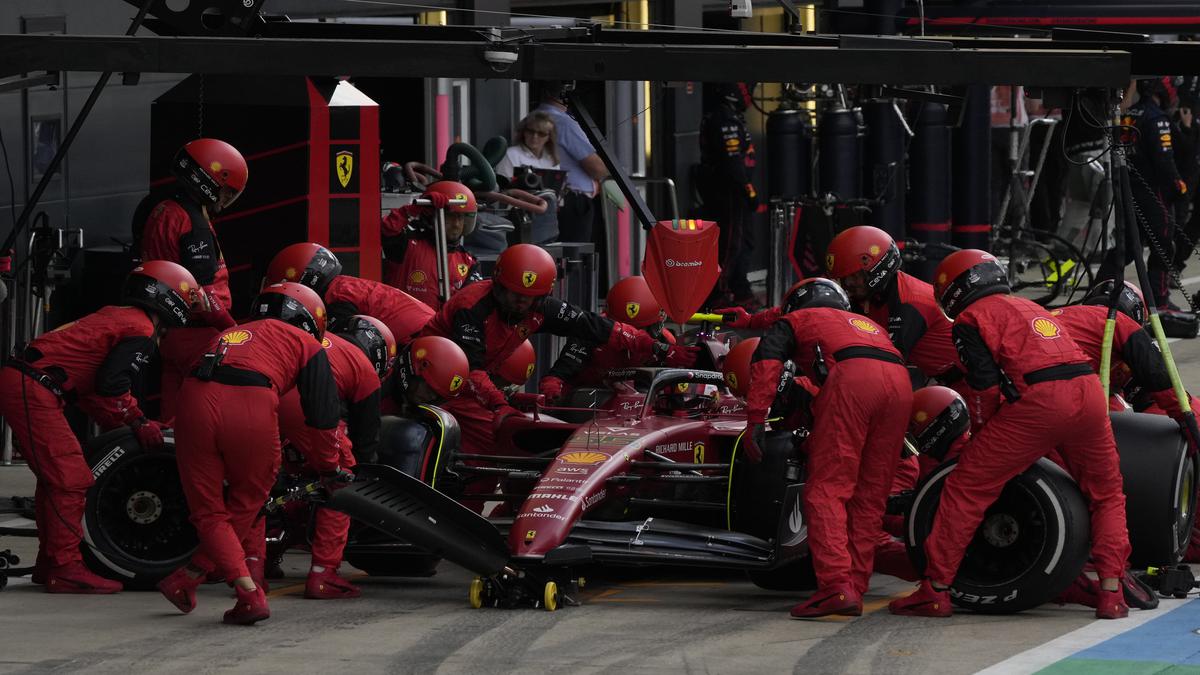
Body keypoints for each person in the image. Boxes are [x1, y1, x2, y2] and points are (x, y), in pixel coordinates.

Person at [889, 250, 1131, 620]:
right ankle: (1112, 592)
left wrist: (983, 435)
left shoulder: (971, 318)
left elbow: (983, 386)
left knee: (967, 485)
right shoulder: (1030, 307)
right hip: (1090, 392)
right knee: (1107, 492)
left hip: (1041, 399)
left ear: (953, 291)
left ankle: (935, 589)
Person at [157, 282, 348, 626]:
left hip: (194, 398)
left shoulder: (237, 331)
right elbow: (322, 415)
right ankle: (229, 585)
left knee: (208, 510)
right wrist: (329, 468)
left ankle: (205, 579)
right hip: (252, 402)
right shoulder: (306, 344)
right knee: (249, 499)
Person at [0, 261, 198, 593]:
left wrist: (134, 423)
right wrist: (137, 420)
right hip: (33, 388)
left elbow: (92, 391)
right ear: (171, 299)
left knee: (56, 481)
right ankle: (64, 569)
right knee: (70, 480)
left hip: (28, 382)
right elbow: (111, 386)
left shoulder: (117, 315)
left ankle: (51, 564)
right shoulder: (141, 330)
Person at [421, 244, 695, 459]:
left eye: (529, 298)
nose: (521, 303)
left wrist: (658, 349)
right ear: (499, 285)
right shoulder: (472, 308)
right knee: (506, 443)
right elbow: (472, 369)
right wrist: (502, 404)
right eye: (514, 294)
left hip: (473, 384)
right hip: (436, 380)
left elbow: (596, 325)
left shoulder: (542, 309)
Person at [743, 278, 911, 618]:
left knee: (826, 490)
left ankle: (836, 585)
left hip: (853, 380)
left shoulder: (797, 321)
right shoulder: (866, 325)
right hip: (900, 382)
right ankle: (856, 583)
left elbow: (767, 357)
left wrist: (756, 418)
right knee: (869, 496)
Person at [133, 138, 248, 422]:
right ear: (209, 181)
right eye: (226, 191)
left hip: (166, 330)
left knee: (172, 412)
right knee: (209, 411)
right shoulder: (193, 224)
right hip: (198, 333)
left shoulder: (161, 209)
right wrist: (231, 329)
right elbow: (202, 294)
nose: (226, 199)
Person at [277, 315, 392, 599]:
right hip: (305, 407)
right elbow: (367, 441)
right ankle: (323, 573)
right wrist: (367, 475)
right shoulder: (363, 367)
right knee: (342, 481)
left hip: (261, 393)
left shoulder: (321, 340)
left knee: (263, 482)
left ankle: (255, 565)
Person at [1098, 78, 1187, 309]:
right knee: (1163, 247)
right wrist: (1180, 188)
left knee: (1124, 248)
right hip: (1153, 192)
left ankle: (1097, 295)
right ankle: (1159, 302)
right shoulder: (1155, 117)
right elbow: (1164, 161)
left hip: (1129, 189)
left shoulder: (1126, 114)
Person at [539, 276, 694, 399]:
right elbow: (561, 373)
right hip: (590, 405)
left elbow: (677, 391)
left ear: (656, 325)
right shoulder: (591, 334)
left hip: (641, 411)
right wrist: (553, 388)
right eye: (625, 326)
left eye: (638, 329)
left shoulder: (666, 344)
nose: (632, 333)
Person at [266, 242, 434, 346]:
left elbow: (343, 352)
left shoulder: (337, 299)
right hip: (428, 328)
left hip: (419, 339)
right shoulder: (344, 286)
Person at [698, 82, 759, 308]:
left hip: (734, 190)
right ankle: (717, 294)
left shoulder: (729, 116)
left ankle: (739, 288)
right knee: (730, 244)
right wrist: (747, 190)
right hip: (728, 192)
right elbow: (732, 162)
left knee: (744, 242)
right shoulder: (723, 119)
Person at [381, 181, 481, 311]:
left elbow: (472, 304)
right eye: (450, 217)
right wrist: (412, 210)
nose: (456, 224)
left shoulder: (469, 262)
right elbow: (386, 229)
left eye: (460, 218)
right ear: (430, 215)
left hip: (440, 329)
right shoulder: (407, 243)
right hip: (400, 323)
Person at [533, 81, 610, 243]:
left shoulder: (532, 117)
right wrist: (609, 170)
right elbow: (595, 167)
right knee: (574, 256)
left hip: (545, 200)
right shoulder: (563, 122)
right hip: (572, 202)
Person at [495, 111, 561, 179]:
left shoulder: (552, 158)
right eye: (530, 131)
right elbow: (503, 185)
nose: (535, 136)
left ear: (549, 137)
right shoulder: (511, 154)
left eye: (541, 133)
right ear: (523, 132)